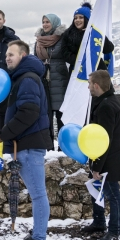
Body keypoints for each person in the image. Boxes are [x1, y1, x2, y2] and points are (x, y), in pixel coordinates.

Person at [0, 40, 52, 240]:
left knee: (38, 195)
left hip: (29, 144)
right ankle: (37, 236)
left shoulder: (27, 79)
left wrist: (4, 134)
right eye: (6, 54)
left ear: (23, 56)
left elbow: (28, 112)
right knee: (37, 195)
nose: (7, 57)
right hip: (25, 143)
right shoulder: (24, 78)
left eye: (12, 54)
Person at [81, 70, 120, 240]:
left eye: (89, 84)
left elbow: (104, 139)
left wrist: (97, 167)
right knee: (97, 191)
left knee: (113, 195)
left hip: (108, 159)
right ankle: (99, 222)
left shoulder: (106, 106)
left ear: (96, 85)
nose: (88, 87)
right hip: (110, 156)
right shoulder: (112, 101)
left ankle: (115, 230)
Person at [34, 14, 68, 144]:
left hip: (60, 80)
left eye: (48, 22)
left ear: (54, 23)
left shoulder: (62, 38)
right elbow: (35, 60)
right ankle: (48, 146)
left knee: (61, 116)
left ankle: (62, 146)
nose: (45, 24)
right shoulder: (39, 40)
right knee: (46, 116)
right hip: (44, 81)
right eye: (43, 22)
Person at [62, 1, 114, 79]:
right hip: (78, 71)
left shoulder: (95, 32)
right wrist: (81, 60)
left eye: (81, 17)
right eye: (75, 18)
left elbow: (108, 48)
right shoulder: (68, 34)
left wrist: (98, 33)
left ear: (87, 19)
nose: (77, 20)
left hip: (97, 70)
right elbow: (64, 53)